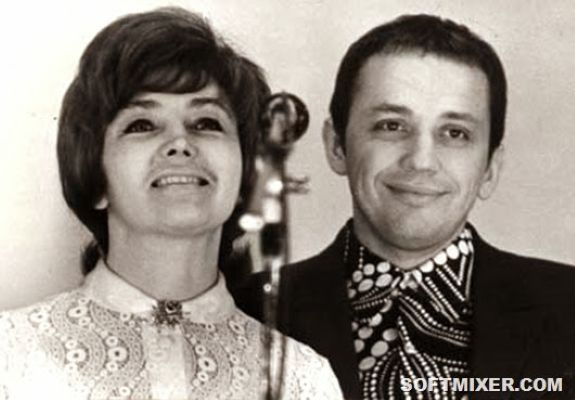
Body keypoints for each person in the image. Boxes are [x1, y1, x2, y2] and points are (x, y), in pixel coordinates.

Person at [0, 8, 343, 400]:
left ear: (246, 175)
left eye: (207, 123)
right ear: (95, 177)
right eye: (142, 125)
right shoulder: (10, 356)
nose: (180, 143)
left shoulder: (303, 380)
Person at [235, 14, 575, 400]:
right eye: (391, 126)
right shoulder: (247, 310)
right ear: (337, 145)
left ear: (490, 169)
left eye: (456, 133)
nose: (421, 161)